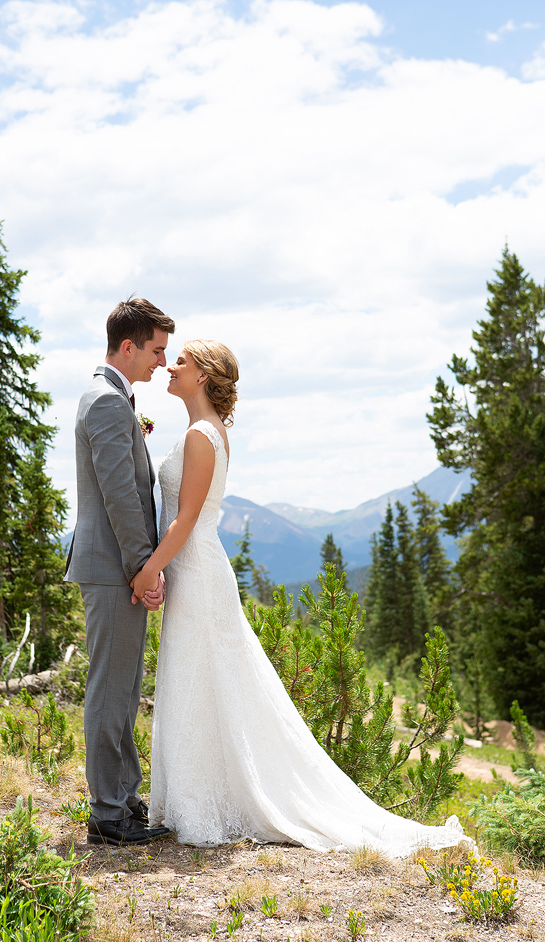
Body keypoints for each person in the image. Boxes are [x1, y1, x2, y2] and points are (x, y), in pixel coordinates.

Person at [131, 340, 472, 855]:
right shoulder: (203, 432)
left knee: (202, 679)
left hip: (196, 571)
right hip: (192, 571)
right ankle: (195, 799)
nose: (170, 367)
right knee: (199, 683)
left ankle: (206, 803)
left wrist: (148, 570)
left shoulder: (203, 436)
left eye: (180, 361)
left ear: (203, 376)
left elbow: (185, 521)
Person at [65, 298, 175, 846]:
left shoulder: (112, 398)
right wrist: (142, 568)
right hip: (114, 569)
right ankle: (107, 812)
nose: (161, 361)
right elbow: (122, 499)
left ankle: (124, 798)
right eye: (156, 350)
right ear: (127, 346)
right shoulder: (107, 402)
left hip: (118, 568)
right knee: (111, 690)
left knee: (125, 688)